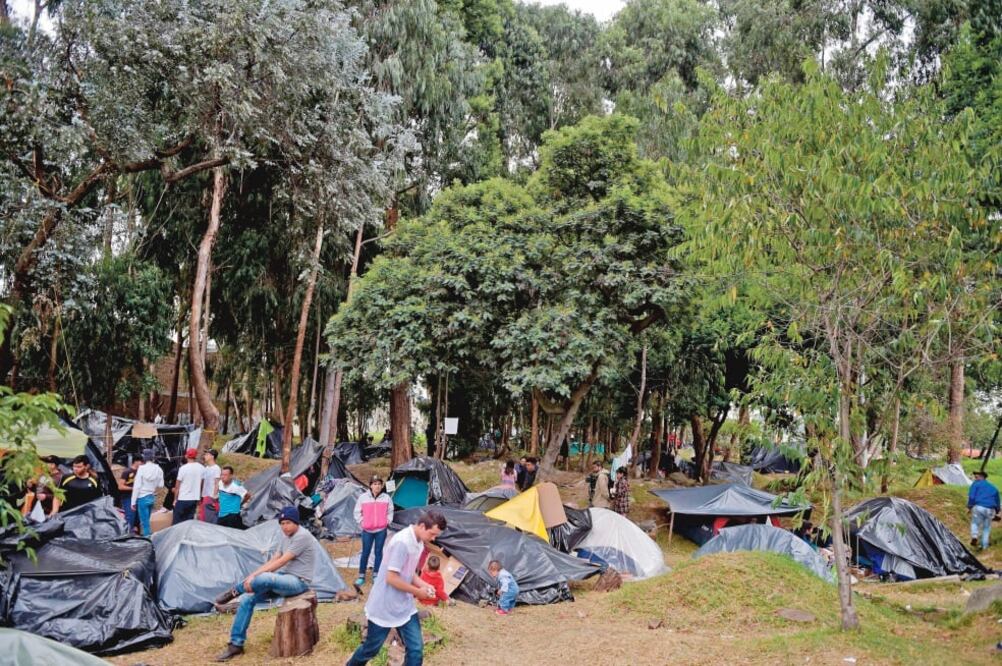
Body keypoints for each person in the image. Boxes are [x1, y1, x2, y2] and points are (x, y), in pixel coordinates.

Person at [214, 507, 315, 661]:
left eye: (288, 523)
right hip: (282, 579)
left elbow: (282, 561)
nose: (284, 526)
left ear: (296, 522)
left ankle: (235, 591)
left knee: (265, 578)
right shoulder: (284, 536)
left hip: (298, 582)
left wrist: (254, 577)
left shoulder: (302, 536)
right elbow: (274, 559)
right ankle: (236, 645)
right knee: (248, 599)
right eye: (282, 523)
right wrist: (251, 576)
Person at [346, 510, 447, 666]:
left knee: (415, 649)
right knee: (371, 649)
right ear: (421, 526)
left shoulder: (419, 542)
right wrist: (418, 592)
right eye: (432, 534)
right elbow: (391, 577)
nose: (433, 539)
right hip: (384, 604)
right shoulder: (402, 542)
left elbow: (408, 570)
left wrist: (423, 584)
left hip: (404, 606)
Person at [353, 475, 394, 587]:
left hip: (381, 530)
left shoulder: (386, 498)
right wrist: (362, 522)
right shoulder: (363, 498)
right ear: (370, 485)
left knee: (378, 552)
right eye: (375, 484)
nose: (377, 486)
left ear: (381, 486)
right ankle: (361, 575)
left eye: (379, 484)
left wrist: (387, 521)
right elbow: (357, 512)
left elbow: (390, 511)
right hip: (367, 530)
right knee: (365, 552)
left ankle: (376, 575)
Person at [131, 449, 165, 536]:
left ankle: (148, 539)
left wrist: (133, 502)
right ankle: (148, 537)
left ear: (144, 457)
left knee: (145, 523)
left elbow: (137, 486)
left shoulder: (141, 469)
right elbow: (161, 485)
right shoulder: (158, 469)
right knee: (147, 521)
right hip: (151, 497)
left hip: (142, 497)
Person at [969, 470, 1000, 551]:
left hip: (979, 507)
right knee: (986, 528)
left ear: (982, 476)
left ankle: (974, 536)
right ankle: (984, 546)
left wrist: (969, 506)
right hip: (990, 509)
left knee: (975, 522)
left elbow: (972, 496)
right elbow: (997, 501)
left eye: (976, 476)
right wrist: (997, 511)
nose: (975, 477)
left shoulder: (975, 484)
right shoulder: (993, 487)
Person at [173, 448, 205, 525]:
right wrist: (199, 497)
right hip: (194, 499)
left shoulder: (183, 468)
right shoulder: (201, 468)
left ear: (186, 456)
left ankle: (177, 537)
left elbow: (178, 485)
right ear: (195, 456)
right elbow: (201, 484)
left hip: (183, 498)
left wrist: (175, 499)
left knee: (177, 522)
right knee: (188, 523)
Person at [118, 458, 142, 532]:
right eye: (141, 462)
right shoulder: (127, 472)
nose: (142, 464)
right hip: (128, 497)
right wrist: (134, 488)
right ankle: (127, 535)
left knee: (137, 519)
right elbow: (120, 486)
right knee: (130, 517)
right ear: (136, 461)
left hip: (138, 497)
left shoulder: (140, 472)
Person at [201, 448, 222, 523]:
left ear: (212, 456)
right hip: (204, 495)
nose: (205, 456)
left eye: (207, 455)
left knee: (208, 518)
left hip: (211, 497)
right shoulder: (206, 468)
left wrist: (214, 496)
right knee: (203, 517)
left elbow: (217, 483)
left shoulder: (216, 468)